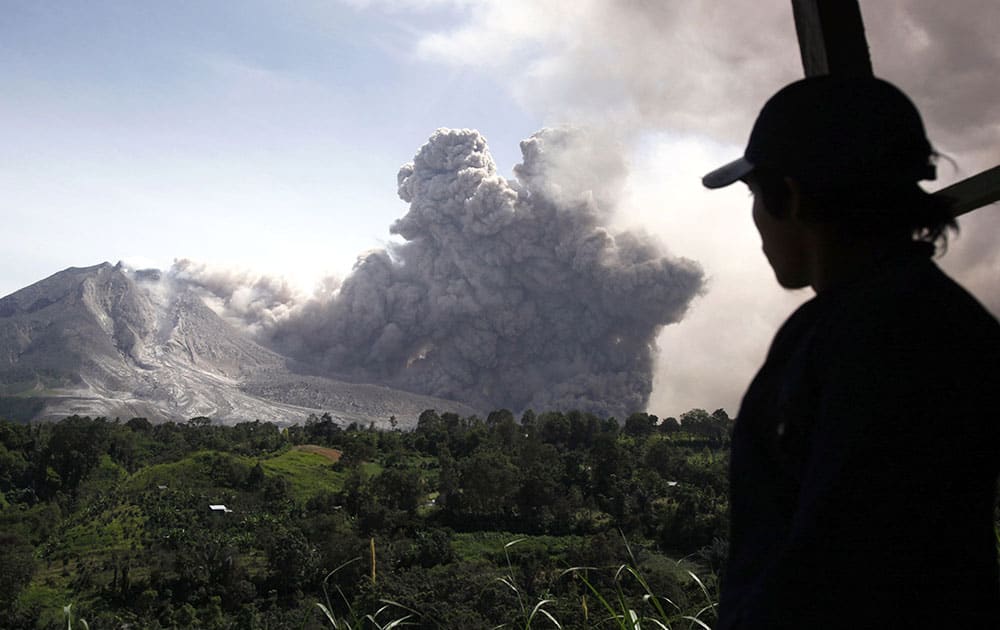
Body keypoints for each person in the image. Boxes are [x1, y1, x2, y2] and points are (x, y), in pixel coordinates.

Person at [702, 75, 1000, 628]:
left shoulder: (856, 341)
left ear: (787, 195)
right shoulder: (948, 321)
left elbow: (833, 567)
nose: (757, 223)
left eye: (753, 196)